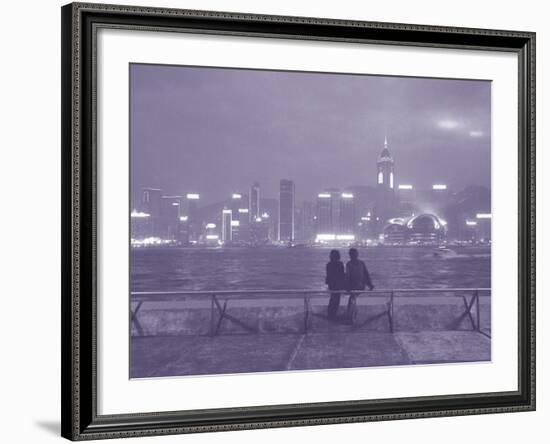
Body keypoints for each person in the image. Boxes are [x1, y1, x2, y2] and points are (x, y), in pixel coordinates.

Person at [345, 248, 374, 323]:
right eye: (352, 254)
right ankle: (351, 315)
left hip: (357, 286)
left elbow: (365, 274)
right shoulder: (358, 263)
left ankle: (350, 315)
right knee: (352, 299)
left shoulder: (352, 264)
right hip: (356, 286)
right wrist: (369, 284)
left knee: (352, 299)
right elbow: (366, 274)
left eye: (353, 254)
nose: (352, 256)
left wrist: (369, 284)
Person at [325, 249, 346, 320]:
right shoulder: (340, 264)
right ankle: (332, 314)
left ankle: (330, 314)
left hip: (332, 284)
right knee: (336, 300)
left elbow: (328, 276)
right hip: (338, 284)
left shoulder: (328, 264)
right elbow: (342, 275)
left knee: (333, 299)